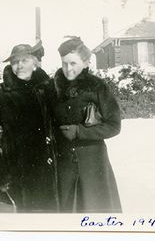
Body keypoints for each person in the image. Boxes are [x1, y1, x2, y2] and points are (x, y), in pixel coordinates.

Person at [0, 41, 59, 212]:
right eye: (15, 62)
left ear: (35, 63)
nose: (19, 66)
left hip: (46, 168)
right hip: (15, 170)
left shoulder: (48, 90)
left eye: (24, 61)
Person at [50, 36, 122, 213]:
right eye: (64, 63)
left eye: (73, 63)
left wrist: (79, 131)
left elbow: (114, 125)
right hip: (65, 163)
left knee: (95, 210)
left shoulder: (97, 87)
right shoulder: (54, 88)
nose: (68, 69)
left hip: (92, 162)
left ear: (85, 62)